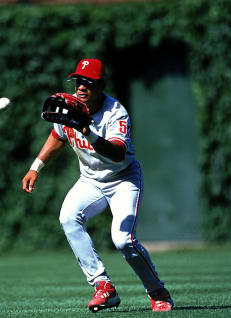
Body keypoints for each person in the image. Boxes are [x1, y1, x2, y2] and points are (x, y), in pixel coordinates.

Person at [21, 58, 174, 312]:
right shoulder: (71, 105)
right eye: (78, 81)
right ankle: (103, 286)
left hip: (123, 179)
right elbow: (58, 136)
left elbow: (116, 154)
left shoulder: (115, 113)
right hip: (90, 180)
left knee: (123, 240)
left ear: (101, 85)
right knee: (68, 217)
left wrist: (88, 131)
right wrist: (35, 167)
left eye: (88, 83)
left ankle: (157, 291)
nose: (81, 87)